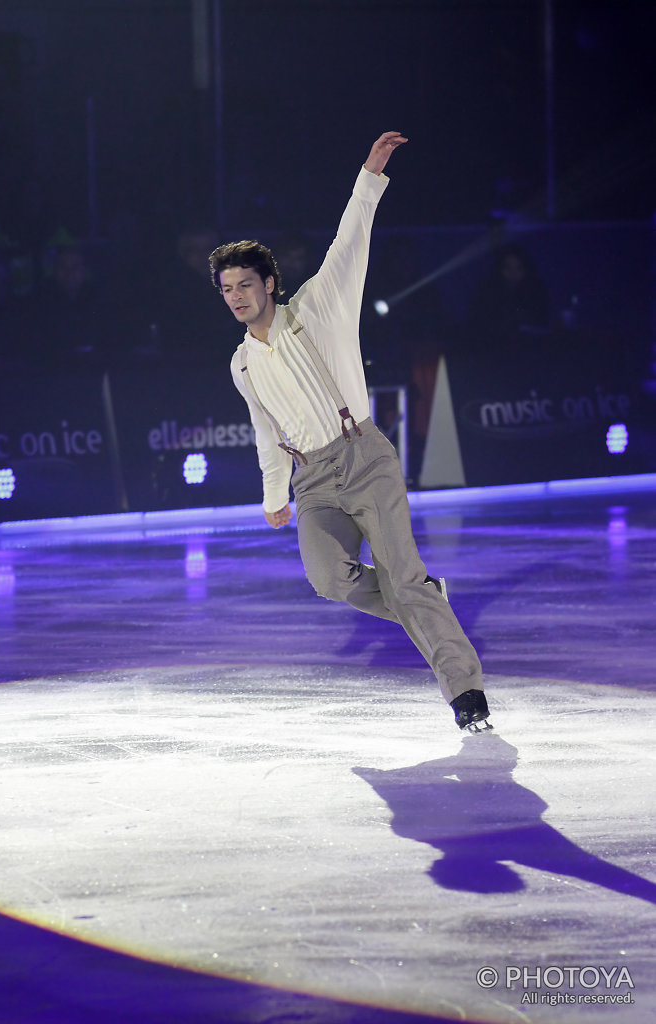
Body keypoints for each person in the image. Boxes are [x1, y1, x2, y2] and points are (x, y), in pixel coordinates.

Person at [208, 132, 489, 731]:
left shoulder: (318, 307)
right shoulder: (240, 364)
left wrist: (371, 176)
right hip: (312, 480)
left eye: (245, 286)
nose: (236, 297)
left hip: (364, 459)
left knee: (402, 578)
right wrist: (274, 496)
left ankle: (466, 695)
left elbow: (350, 239)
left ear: (269, 285)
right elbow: (267, 431)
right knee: (330, 579)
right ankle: (423, 600)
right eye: (227, 290)